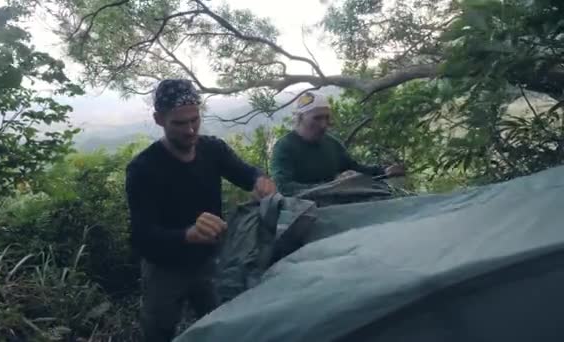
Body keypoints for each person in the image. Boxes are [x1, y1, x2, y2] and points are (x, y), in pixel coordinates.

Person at [125, 79, 276, 342]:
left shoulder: (212, 149)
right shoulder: (143, 169)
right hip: (165, 268)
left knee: (218, 319)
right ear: (159, 119)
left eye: (195, 119)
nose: (190, 130)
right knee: (159, 330)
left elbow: (245, 172)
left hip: (210, 260)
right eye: (179, 123)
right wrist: (188, 234)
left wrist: (260, 180)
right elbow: (142, 235)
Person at [269, 91, 405, 196]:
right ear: (300, 118)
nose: (323, 124)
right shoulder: (285, 147)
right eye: (317, 118)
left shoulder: (332, 144)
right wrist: (332, 187)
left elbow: (354, 167)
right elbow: (284, 187)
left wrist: (384, 171)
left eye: (327, 117)